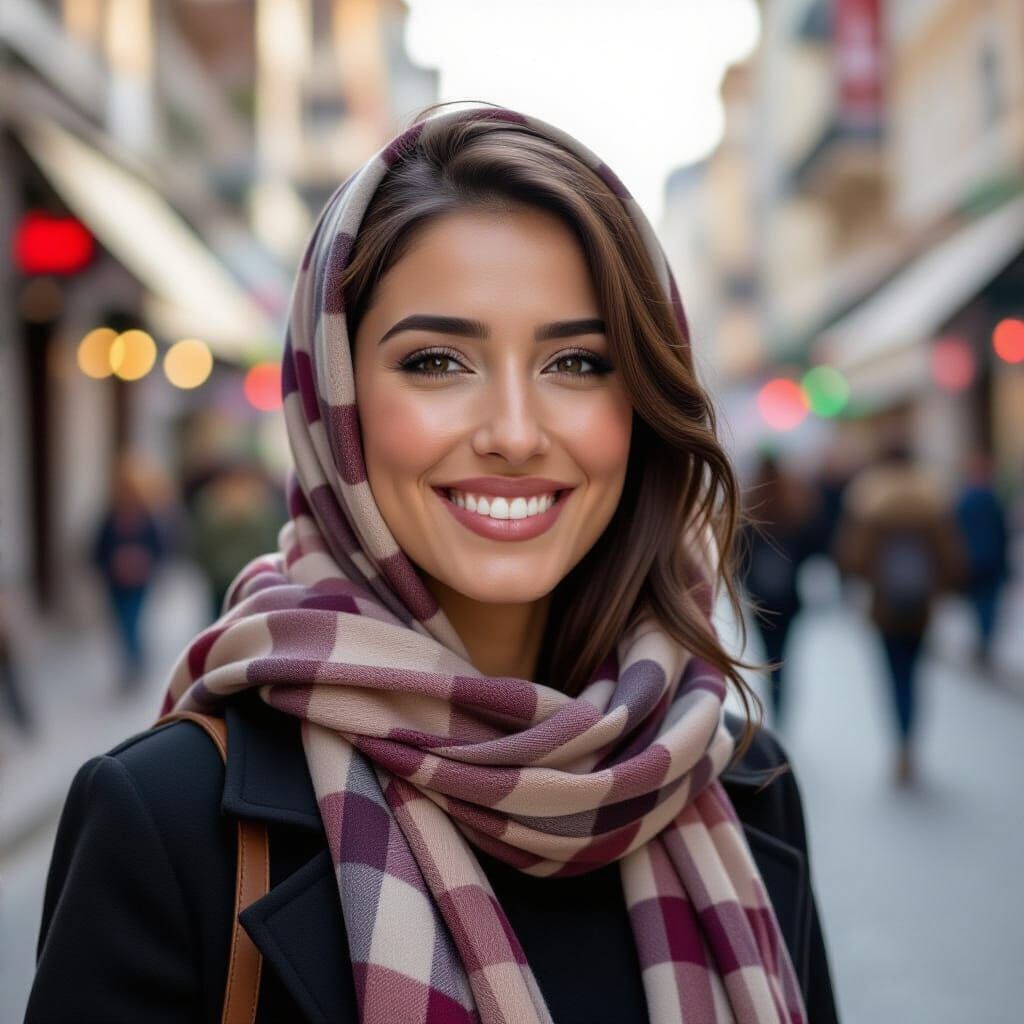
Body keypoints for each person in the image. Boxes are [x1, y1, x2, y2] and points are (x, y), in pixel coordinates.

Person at [27, 103, 838, 1024]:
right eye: (438, 360)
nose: (515, 434)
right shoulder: (171, 821)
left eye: (576, 362)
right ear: (336, 400)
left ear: (642, 406)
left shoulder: (742, 785)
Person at [833, 442, 965, 786]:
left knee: (894, 674)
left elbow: (854, 556)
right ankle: (911, 741)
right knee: (915, 673)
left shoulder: (869, 496)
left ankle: (900, 742)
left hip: (884, 604)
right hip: (921, 603)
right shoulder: (930, 495)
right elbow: (950, 555)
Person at [740, 451, 822, 726]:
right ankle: (781, 706)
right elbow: (811, 546)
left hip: (758, 597)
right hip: (789, 598)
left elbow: (737, 553)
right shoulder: (793, 505)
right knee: (784, 654)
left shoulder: (750, 506)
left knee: (767, 653)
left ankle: (775, 703)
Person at [90, 454, 168, 692]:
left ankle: (134, 665)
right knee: (121, 624)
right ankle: (131, 663)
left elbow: (159, 547)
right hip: (116, 581)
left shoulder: (147, 515)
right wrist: (112, 564)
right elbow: (97, 548)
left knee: (132, 622)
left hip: (139, 581)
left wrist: (142, 562)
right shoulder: (111, 515)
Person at [953, 449, 1010, 672]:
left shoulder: (965, 499)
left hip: (973, 561)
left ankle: (983, 641)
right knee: (988, 605)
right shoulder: (991, 498)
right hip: (989, 561)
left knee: (981, 605)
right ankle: (985, 641)